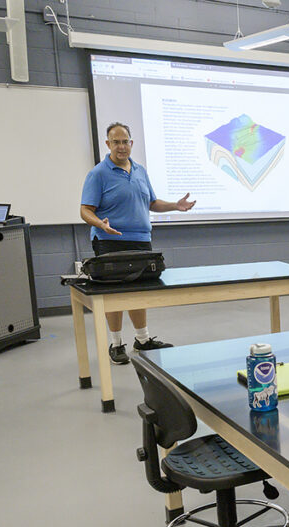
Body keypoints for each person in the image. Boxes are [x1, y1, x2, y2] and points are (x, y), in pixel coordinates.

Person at [79, 122, 196, 365]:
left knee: (139, 292)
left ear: (131, 143)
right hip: (110, 241)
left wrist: (175, 205)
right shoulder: (98, 174)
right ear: (108, 144)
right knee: (114, 295)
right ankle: (116, 344)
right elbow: (85, 210)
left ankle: (142, 340)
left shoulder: (140, 170)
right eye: (116, 142)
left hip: (141, 241)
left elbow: (152, 203)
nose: (121, 147)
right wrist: (100, 224)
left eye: (125, 142)